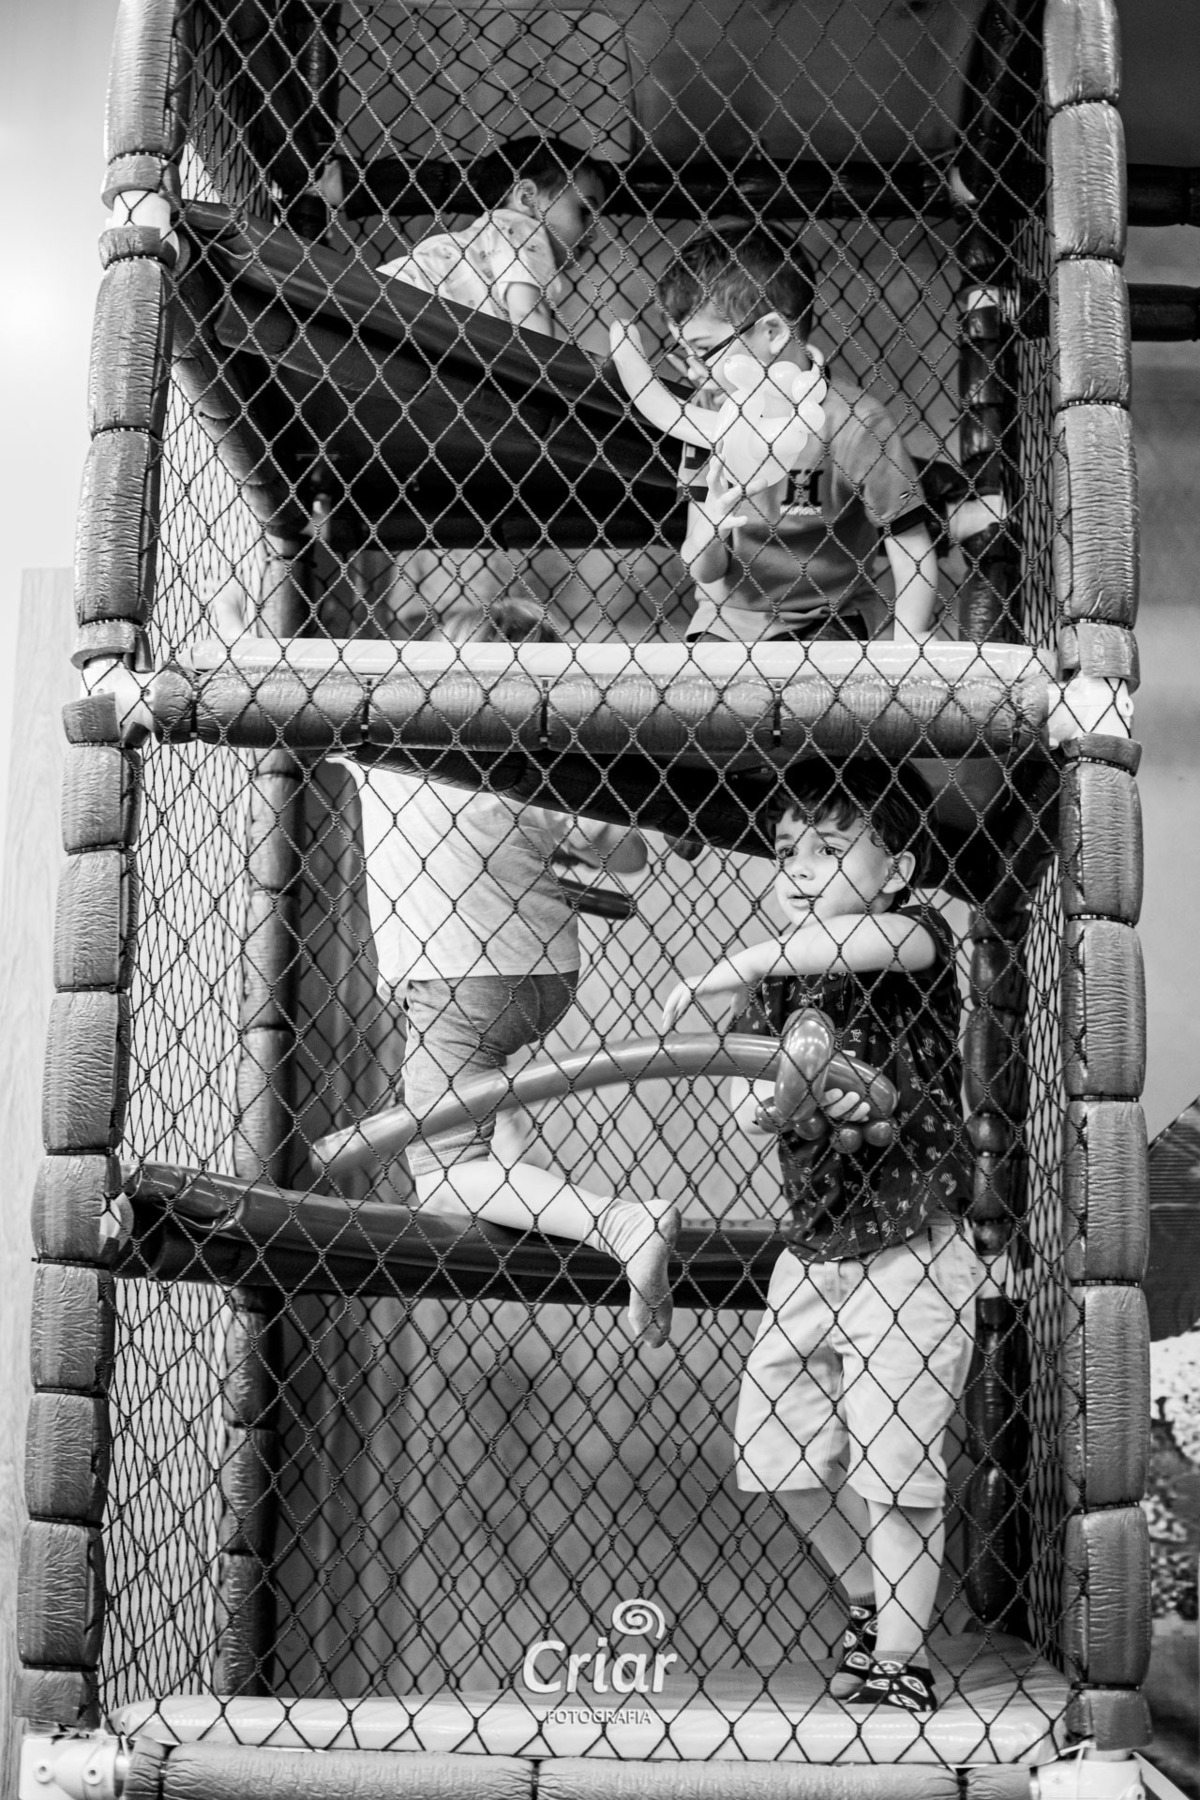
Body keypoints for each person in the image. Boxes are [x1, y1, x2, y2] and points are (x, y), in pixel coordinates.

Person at [661, 757, 980, 1713]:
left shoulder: (915, 936)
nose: (799, 867)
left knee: (896, 1472)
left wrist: (740, 961)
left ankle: (900, 1662)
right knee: (776, 1453)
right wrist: (777, 1103)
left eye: (832, 848)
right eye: (785, 849)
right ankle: (871, 1600)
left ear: (897, 870)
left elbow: (871, 943)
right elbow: (745, 1098)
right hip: (813, 1252)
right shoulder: (782, 986)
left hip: (911, 1250)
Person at [352, 597, 681, 1347]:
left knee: (440, 1175)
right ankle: (510, 1153)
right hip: (544, 977)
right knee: (478, 1094)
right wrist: (563, 828)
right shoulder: (534, 765)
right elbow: (630, 854)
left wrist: (236, 634)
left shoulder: (381, 737)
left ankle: (621, 1224)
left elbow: (290, 700)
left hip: (459, 981)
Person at [656, 225, 941, 645]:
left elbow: (910, 543)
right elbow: (705, 571)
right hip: (728, 619)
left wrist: (911, 638)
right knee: (701, 685)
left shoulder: (855, 423)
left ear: (772, 332)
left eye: (702, 350)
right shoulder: (707, 416)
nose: (693, 369)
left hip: (829, 615)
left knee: (824, 684)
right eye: (683, 352)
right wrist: (710, 533)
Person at [368, 136, 609, 339]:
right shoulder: (525, 230)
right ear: (527, 198)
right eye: (584, 211)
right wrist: (546, 374)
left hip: (377, 295)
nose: (594, 233)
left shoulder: (492, 236)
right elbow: (528, 314)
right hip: (407, 301)